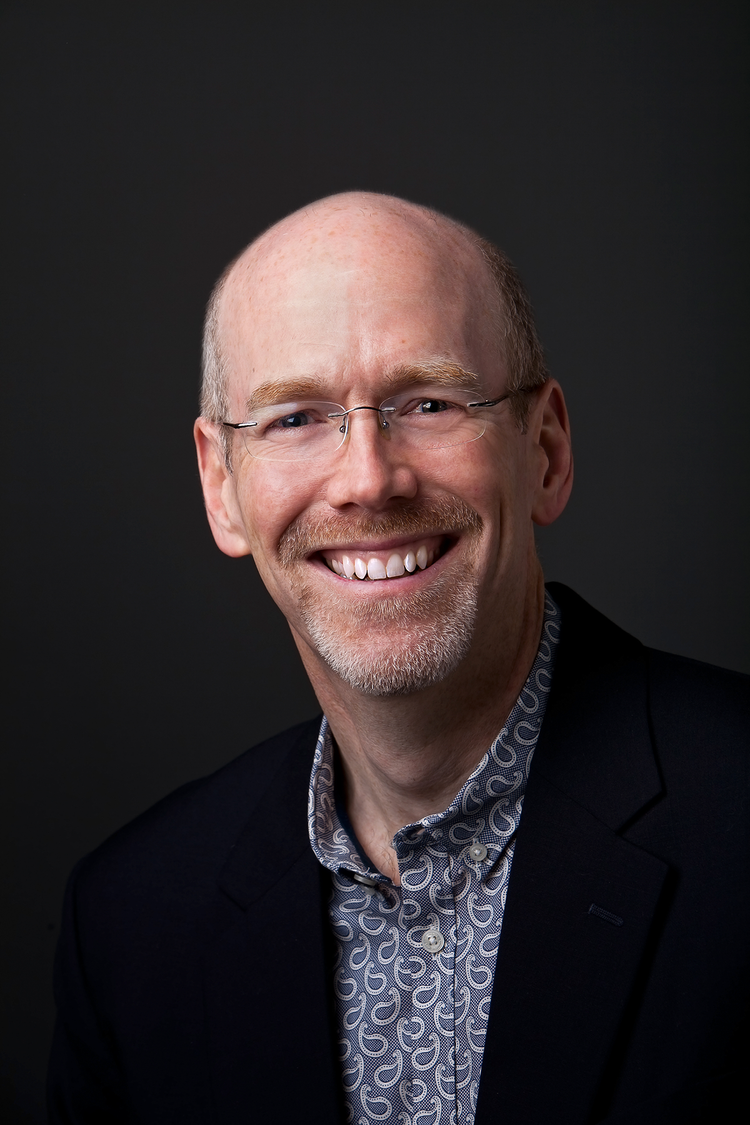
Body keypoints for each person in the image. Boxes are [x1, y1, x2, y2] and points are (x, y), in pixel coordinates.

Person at [48, 193, 748, 1124]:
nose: (369, 477)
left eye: (428, 400)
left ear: (543, 450)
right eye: (295, 417)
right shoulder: (131, 925)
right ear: (222, 487)